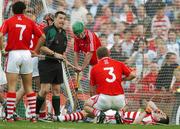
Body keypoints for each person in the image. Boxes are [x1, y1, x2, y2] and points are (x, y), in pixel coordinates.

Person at [54, 46, 135, 123]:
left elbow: (92, 90)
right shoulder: (119, 63)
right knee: (127, 104)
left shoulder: (95, 68)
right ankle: (120, 114)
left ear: (97, 57)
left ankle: (98, 114)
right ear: (109, 54)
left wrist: (96, 104)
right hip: (119, 99)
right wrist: (122, 79)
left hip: (104, 99)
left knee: (86, 107)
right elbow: (133, 75)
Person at [0, 1, 45, 122]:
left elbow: (0, 35)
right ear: (24, 10)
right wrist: (35, 51)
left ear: (13, 11)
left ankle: (9, 116)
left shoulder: (8, 21)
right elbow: (43, 37)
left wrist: (2, 49)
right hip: (26, 54)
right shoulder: (30, 22)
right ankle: (33, 116)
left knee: (12, 87)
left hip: (14, 54)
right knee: (29, 87)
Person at [35, 11, 69, 120]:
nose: (62, 20)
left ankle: (57, 116)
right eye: (60, 18)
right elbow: (41, 47)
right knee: (44, 90)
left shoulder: (64, 33)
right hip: (46, 62)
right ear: (54, 19)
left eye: (64, 18)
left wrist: (64, 59)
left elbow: (62, 52)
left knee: (57, 90)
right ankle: (35, 114)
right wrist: (55, 54)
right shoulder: (47, 30)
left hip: (57, 64)